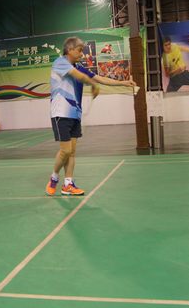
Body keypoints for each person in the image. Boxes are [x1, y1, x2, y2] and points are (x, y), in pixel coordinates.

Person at [46, 36, 137, 197]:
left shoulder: (79, 66)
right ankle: (54, 177)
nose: (82, 54)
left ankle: (68, 184)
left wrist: (123, 83)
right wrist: (92, 84)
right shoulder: (60, 62)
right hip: (61, 112)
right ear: (70, 50)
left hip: (75, 113)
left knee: (72, 152)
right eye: (79, 50)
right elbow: (79, 76)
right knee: (65, 150)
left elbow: (99, 78)